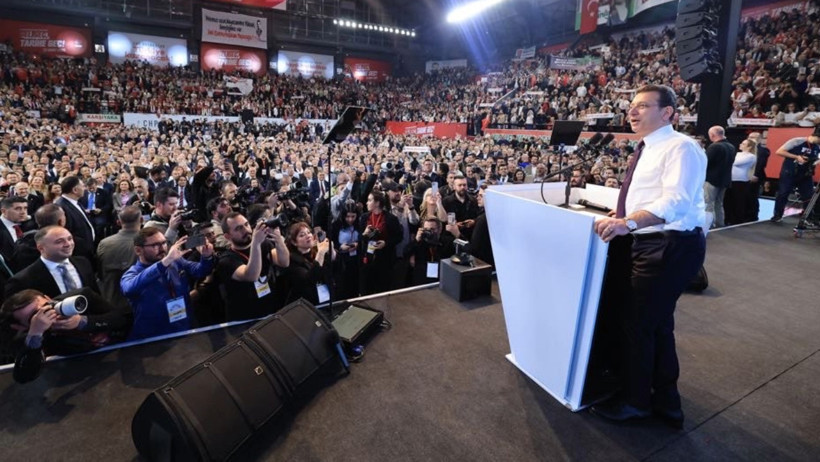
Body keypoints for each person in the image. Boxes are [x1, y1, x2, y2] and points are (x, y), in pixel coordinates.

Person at [591, 85, 707, 428]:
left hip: (670, 244)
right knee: (655, 326)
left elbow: (675, 203)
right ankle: (666, 403)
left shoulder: (680, 147)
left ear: (668, 112)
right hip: (653, 242)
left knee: (639, 325)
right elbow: (650, 196)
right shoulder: (647, 148)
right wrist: (622, 211)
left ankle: (636, 402)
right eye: (631, 106)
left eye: (642, 106)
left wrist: (627, 221)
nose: (632, 112)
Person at [0, 288, 131, 383]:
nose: (47, 314)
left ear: (48, 298)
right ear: (20, 327)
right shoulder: (26, 340)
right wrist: (36, 334)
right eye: (34, 317)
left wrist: (83, 322)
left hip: (121, 360)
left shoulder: (81, 298)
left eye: (46, 306)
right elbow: (24, 376)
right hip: (74, 376)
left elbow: (123, 318)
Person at [120, 227, 215, 340]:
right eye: (155, 245)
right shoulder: (132, 273)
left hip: (183, 330)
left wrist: (206, 256)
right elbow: (129, 289)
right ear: (138, 250)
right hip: (153, 339)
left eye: (164, 243)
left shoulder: (175, 261)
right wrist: (164, 262)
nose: (162, 248)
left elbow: (200, 271)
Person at [215, 212, 290, 321]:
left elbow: (284, 262)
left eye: (246, 224)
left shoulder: (264, 244)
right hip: (245, 318)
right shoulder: (226, 260)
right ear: (227, 236)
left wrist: (278, 239)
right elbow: (251, 275)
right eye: (238, 228)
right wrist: (255, 243)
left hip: (271, 310)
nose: (246, 230)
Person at [4, 226, 99, 300]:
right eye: (59, 241)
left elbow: (95, 296)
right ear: (41, 248)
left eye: (70, 239)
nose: (68, 244)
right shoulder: (23, 280)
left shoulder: (83, 263)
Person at [96, 205, 141, 313]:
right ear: (142, 219)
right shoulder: (149, 242)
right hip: (141, 302)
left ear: (118, 222)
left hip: (112, 301)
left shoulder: (104, 244)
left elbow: (100, 273)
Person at [279, 221, 335, 305]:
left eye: (308, 232)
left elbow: (336, 268)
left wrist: (332, 250)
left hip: (325, 299)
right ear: (294, 242)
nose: (308, 236)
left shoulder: (317, 250)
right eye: (302, 235)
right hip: (305, 305)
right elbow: (309, 280)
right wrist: (321, 253)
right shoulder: (292, 259)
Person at [771, 127, 820, 222]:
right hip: (790, 172)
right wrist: (796, 157)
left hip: (805, 174)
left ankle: (807, 218)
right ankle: (777, 215)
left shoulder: (817, 147)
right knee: (783, 193)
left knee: (809, 196)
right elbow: (779, 151)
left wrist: (816, 161)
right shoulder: (797, 141)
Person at [358, 190, 402, 295]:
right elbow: (359, 238)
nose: (366, 203)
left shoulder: (391, 219)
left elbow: (399, 237)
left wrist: (385, 243)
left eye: (369, 200)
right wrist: (364, 234)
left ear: (377, 203)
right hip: (367, 258)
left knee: (382, 288)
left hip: (385, 259)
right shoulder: (364, 217)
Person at [704, 126, 736, 228]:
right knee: (719, 203)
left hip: (712, 180)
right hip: (725, 180)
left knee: (708, 203)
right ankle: (720, 224)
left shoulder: (714, 147)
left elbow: (705, 162)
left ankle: (708, 225)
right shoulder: (731, 146)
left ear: (712, 135)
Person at [723, 139, 757, 226]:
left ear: (749, 147)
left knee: (738, 201)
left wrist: (729, 160)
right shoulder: (738, 154)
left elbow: (735, 162)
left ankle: (738, 219)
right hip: (731, 179)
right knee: (728, 200)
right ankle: (728, 218)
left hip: (741, 181)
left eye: (743, 143)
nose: (741, 144)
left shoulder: (751, 156)